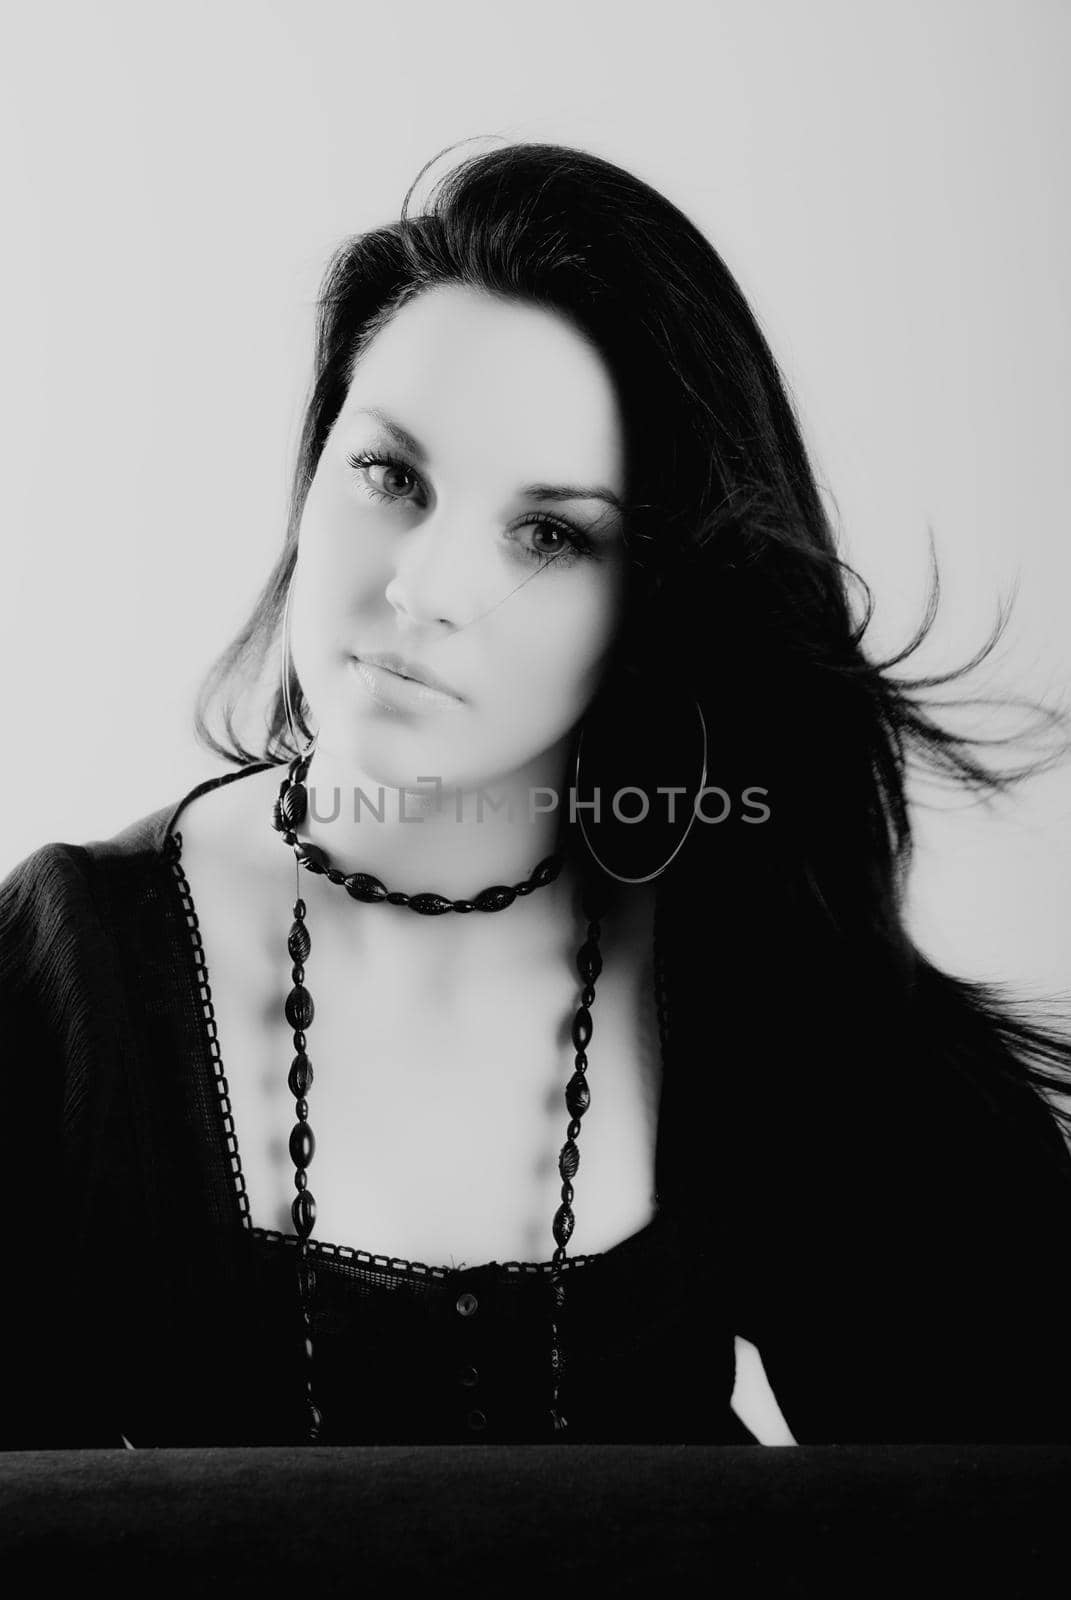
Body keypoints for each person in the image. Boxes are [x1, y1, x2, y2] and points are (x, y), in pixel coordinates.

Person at [4, 139, 1071, 1452]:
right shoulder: (75, 979)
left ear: (653, 599)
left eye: (550, 534)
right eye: (390, 476)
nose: (428, 586)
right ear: (312, 470)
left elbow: (1007, 1496)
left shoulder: (754, 966)